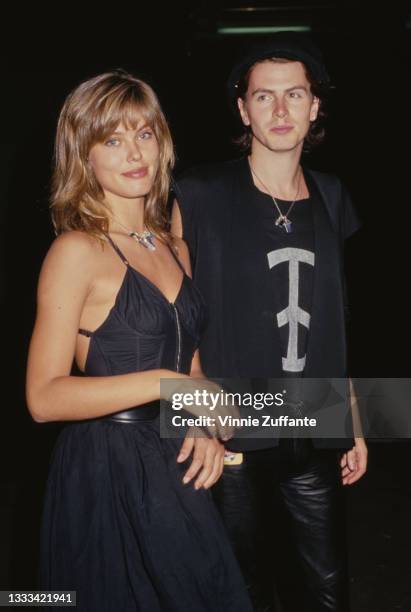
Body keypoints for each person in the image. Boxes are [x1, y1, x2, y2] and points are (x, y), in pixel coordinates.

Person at [26, 70, 253, 611]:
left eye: (144, 134)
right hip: (107, 469)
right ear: (84, 155)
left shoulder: (176, 246)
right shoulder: (76, 251)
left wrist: (201, 421)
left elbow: (192, 368)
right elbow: (43, 398)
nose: (135, 152)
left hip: (173, 461)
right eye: (113, 139)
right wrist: (166, 384)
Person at [172, 33, 368, 612]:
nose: (280, 111)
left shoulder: (334, 197)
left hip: (313, 422)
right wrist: (194, 416)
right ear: (242, 108)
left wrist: (351, 417)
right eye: (264, 97)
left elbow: (335, 318)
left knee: (327, 592)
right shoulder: (199, 192)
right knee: (238, 592)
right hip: (230, 431)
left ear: (315, 107)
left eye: (294, 96)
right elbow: (175, 317)